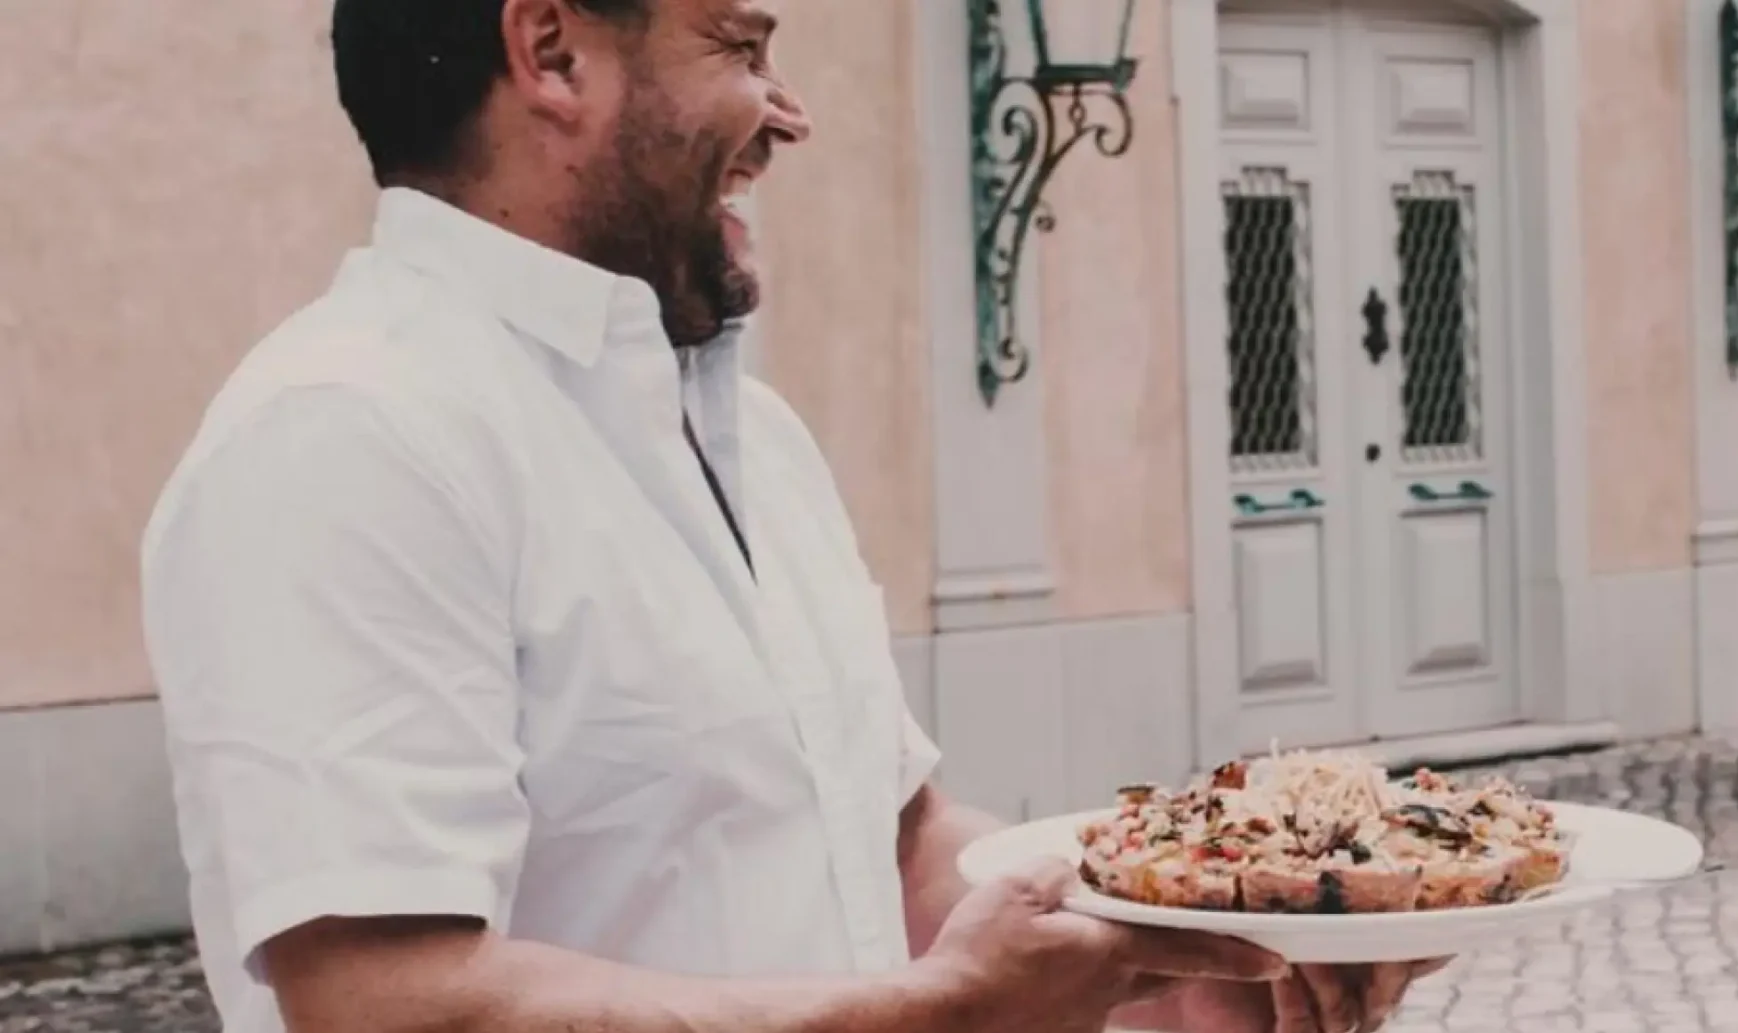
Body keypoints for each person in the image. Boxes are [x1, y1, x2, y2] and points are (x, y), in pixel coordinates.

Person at [136, 2, 1445, 1032]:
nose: (788, 113)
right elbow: (387, 1007)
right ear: (550, 51)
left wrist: (1178, 966)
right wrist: (940, 1018)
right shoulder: (352, 428)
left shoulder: (754, 436)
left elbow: (902, 845)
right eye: (741, 44)